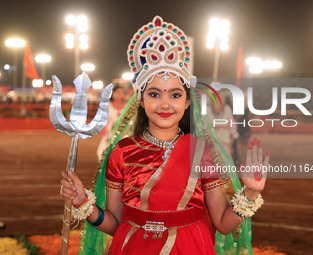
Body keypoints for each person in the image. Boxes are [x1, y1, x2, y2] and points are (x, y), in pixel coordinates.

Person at [60, 16, 270, 255]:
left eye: (175, 95)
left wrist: (251, 193)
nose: (165, 104)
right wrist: (83, 204)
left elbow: (223, 223)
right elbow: (116, 224)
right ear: (141, 99)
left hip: (190, 247)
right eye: (154, 94)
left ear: (188, 101)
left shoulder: (200, 152)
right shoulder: (121, 152)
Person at [97, 83, 126, 161]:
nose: (120, 95)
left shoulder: (127, 107)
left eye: (122, 92)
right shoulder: (107, 106)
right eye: (118, 92)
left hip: (124, 136)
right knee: (102, 154)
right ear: (112, 93)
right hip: (109, 136)